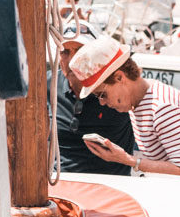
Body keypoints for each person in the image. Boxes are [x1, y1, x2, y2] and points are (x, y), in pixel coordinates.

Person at [70, 35, 180, 182]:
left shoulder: (162, 108)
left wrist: (127, 160)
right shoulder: (140, 103)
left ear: (119, 77)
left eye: (102, 94)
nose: (102, 103)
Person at [54, 35, 135, 175]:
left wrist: (133, 161)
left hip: (112, 186)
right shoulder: (45, 86)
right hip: (60, 184)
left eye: (80, 51)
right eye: (65, 52)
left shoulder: (122, 92)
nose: (72, 59)